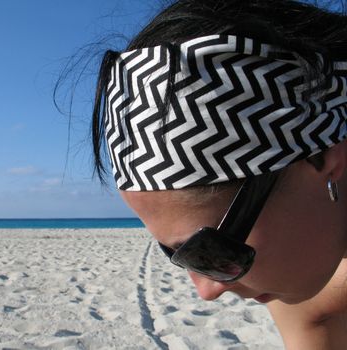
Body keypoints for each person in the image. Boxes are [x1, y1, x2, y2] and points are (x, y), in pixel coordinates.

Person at [89, 0, 347, 349]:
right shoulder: (309, 282)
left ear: (321, 157)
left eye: (208, 250)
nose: (206, 291)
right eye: (176, 254)